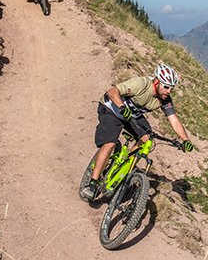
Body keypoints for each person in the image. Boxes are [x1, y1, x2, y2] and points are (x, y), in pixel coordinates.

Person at [80, 63, 195, 201]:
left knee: (147, 139)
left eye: (171, 88)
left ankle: (123, 167)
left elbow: (174, 120)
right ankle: (92, 183)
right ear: (157, 82)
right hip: (112, 109)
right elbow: (112, 91)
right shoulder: (141, 84)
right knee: (110, 144)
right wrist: (122, 107)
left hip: (132, 116)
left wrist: (185, 140)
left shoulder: (165, 99)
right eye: (166, 86)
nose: (169, 91)